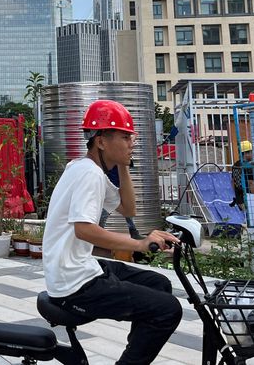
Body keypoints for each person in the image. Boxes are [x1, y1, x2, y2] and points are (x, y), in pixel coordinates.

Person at [43, 100, 182, 365]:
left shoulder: (86, 169)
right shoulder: (88, 174)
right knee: (168, 310)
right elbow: (84, 229)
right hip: (74, 284)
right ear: (101, 141)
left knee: (159, 285)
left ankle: (132, 356)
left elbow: (127, 207)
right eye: (124, 136)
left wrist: (123, 164)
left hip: (79, 269)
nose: (132, 142)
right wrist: (140, 245)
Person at [99, 164, 143, 240]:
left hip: (120, 187)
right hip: (112, 186)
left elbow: (130, 164)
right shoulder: (110, 160)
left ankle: (133, 231)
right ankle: (98, 231)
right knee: (105, 211)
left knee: (127, 212)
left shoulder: (120, 162)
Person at [231, 140, 254, 209]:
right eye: (251, 152)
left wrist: (237, 195)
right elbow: (251, 183)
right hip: (248, 197)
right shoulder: (248, 165)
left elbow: (233, 182)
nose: (252, 154)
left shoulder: (235, 165)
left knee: (245, 217)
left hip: (239, 199)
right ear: (246, 153)